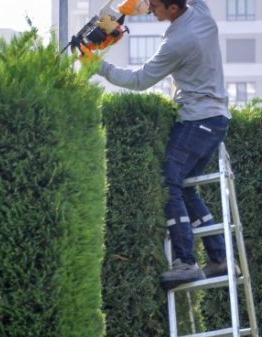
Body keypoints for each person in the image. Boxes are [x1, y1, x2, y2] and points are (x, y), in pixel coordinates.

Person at [93, 0, 231, 290]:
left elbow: (140, 80)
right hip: (215, 119)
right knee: (185, 185)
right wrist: (136, 8)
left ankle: (186, 262)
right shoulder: (200, 13)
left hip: (197, 120)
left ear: (172, 8)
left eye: (154, 5)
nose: (151, 9)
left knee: (169, 181)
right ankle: (219, 257)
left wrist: (97, 65)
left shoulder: (181, 41)